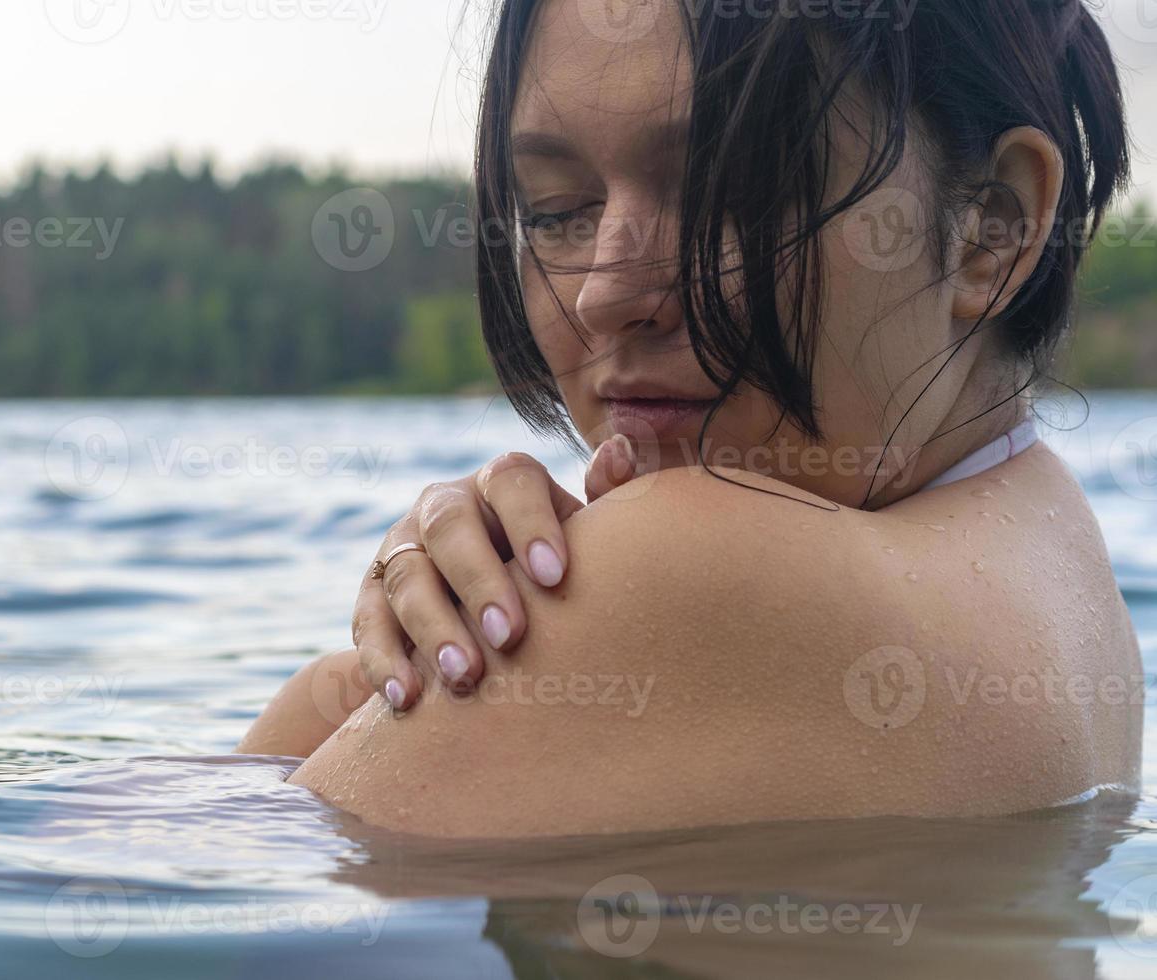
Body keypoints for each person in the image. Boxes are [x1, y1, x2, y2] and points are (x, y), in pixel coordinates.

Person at [239, 0, 1142, 837]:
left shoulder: (698, 563)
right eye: (557, 211)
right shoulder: (1061, 581)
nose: (604, 294)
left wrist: (398, 679)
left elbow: (229, 897)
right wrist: (394, 649)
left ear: (992, 226)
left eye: (728, 192)